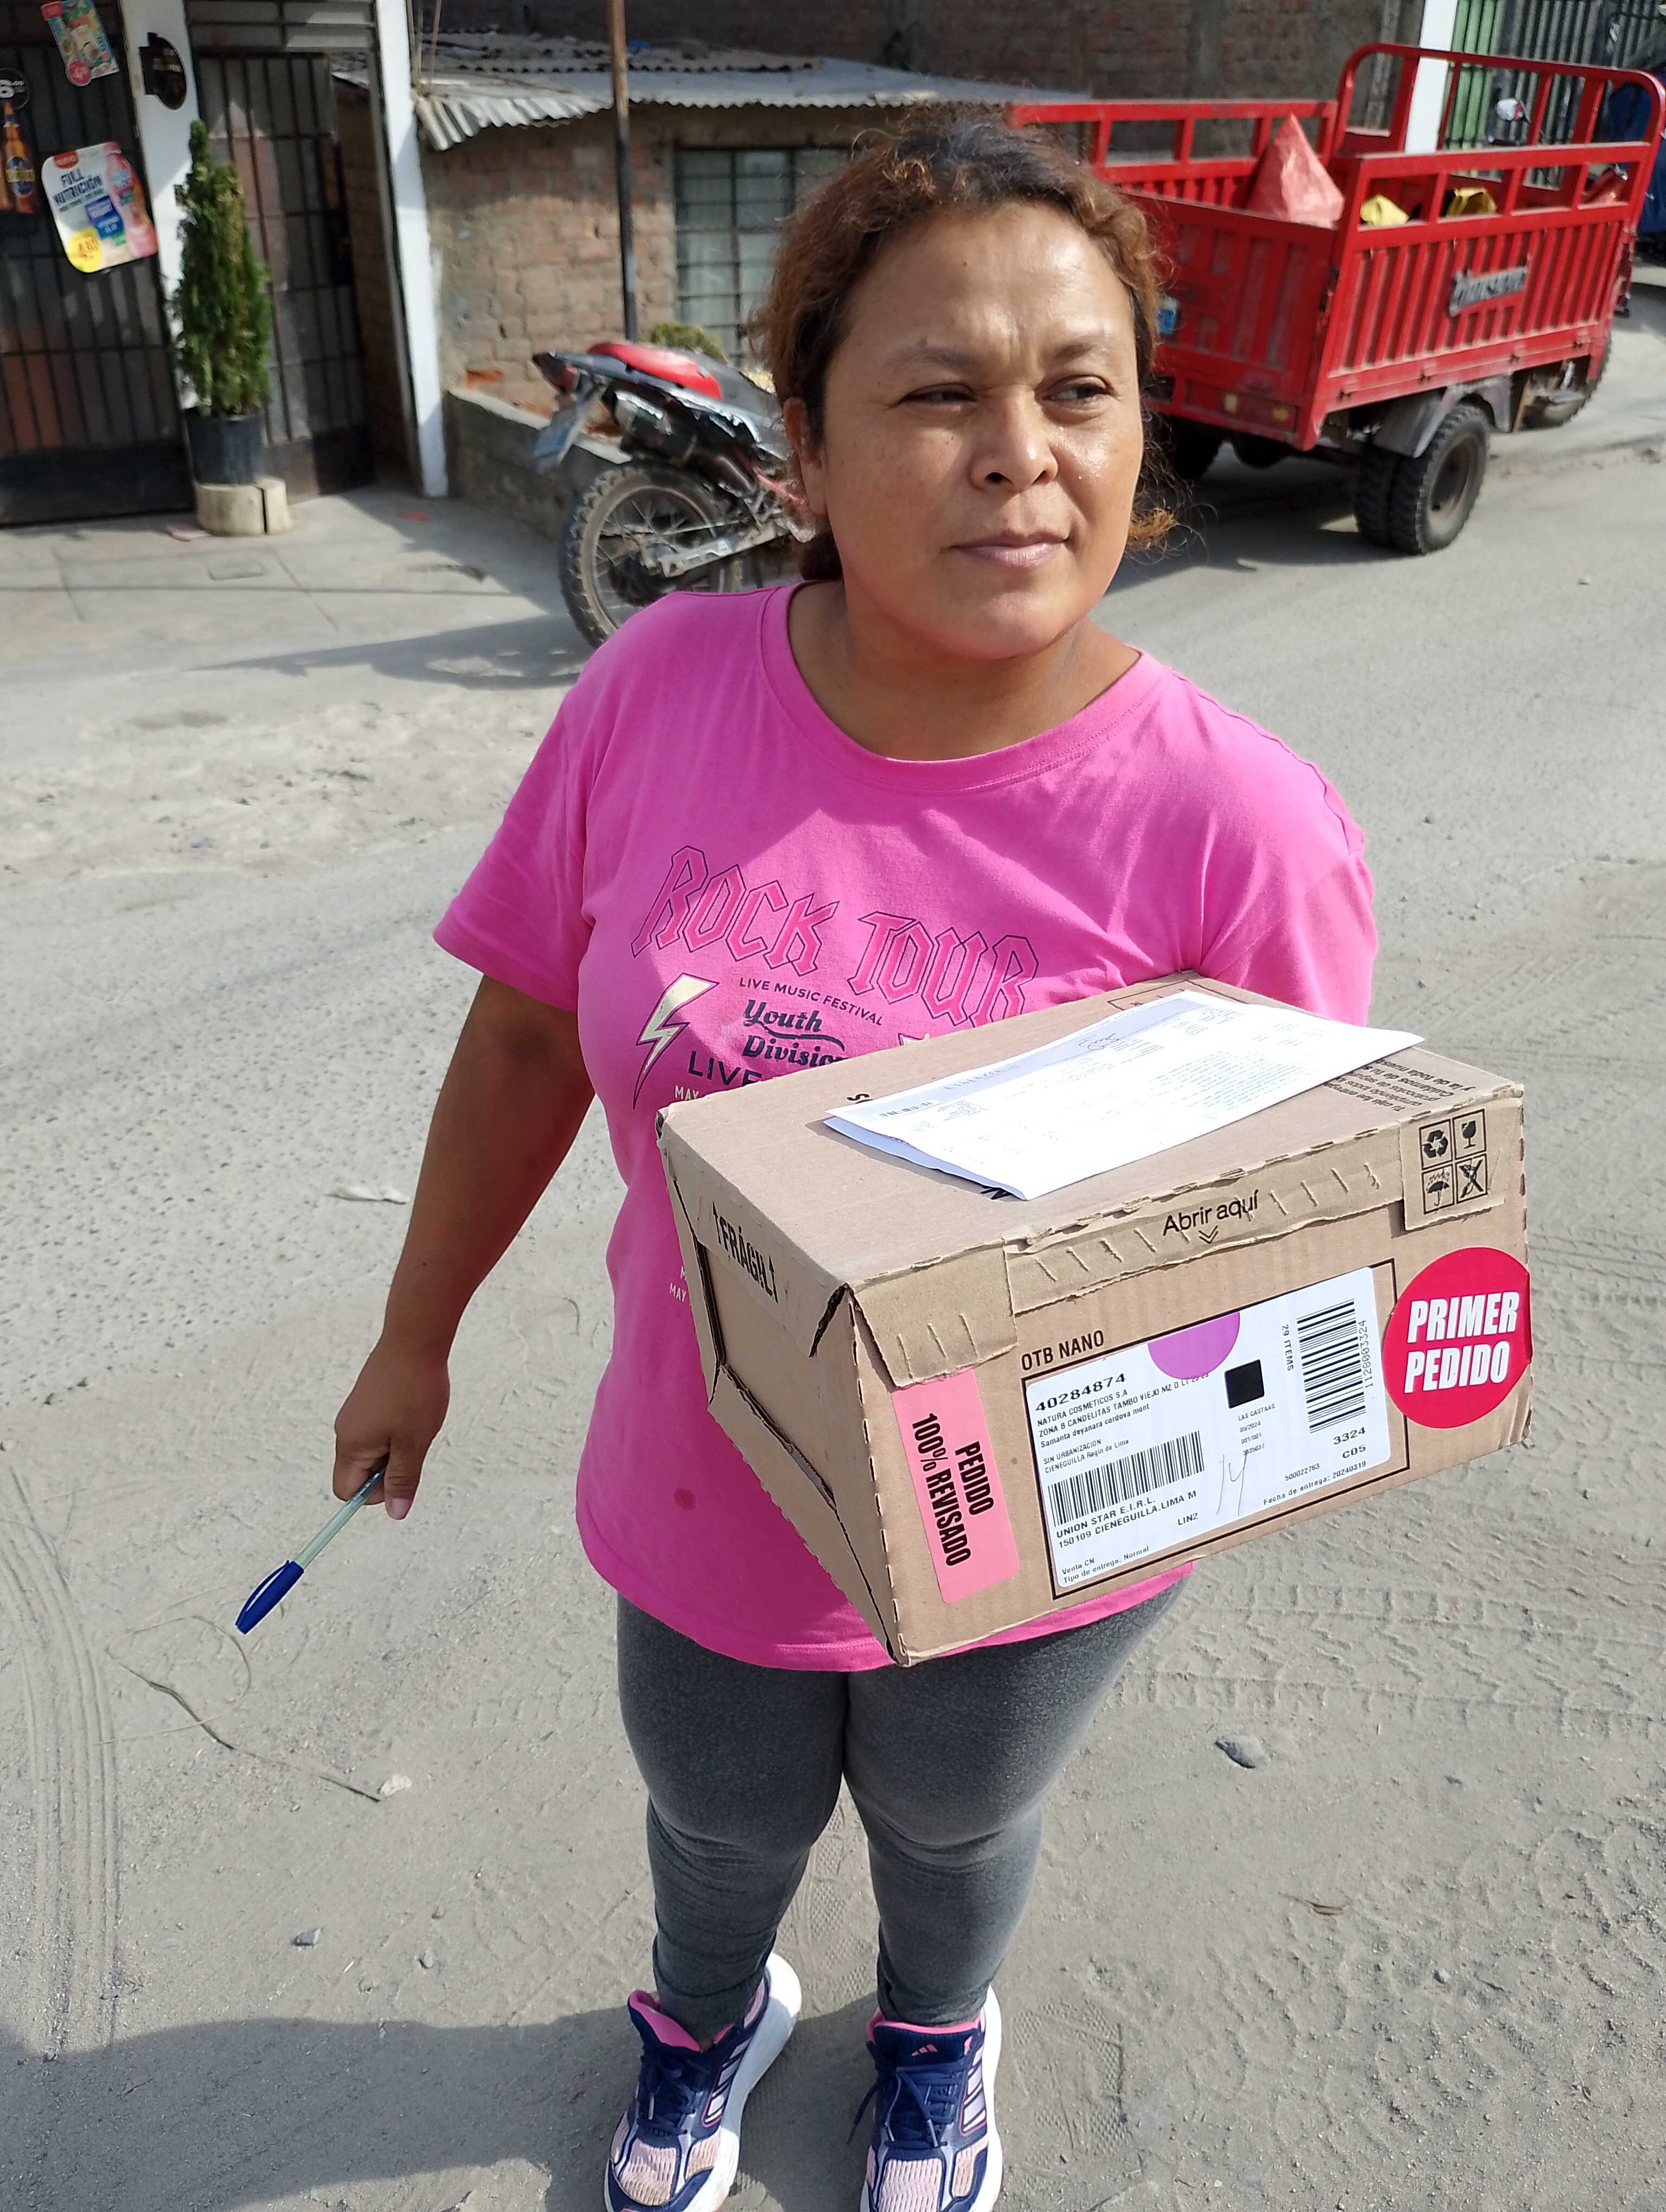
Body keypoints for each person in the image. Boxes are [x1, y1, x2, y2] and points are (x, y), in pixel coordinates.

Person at [331, 115, 1375, 2212]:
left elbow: (1298, 1244)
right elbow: (528, 1032)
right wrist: (411, 1337)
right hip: (704, 1472)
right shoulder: (656, 690)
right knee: (716, 1813)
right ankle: (704, 2017)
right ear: (801, 447)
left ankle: (931, 2038)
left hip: (1037, 1534)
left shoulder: (1240, 828)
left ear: (1143, 433)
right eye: (938, 393)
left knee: (958, 1820)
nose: (1022, 454)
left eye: (1080, 388)